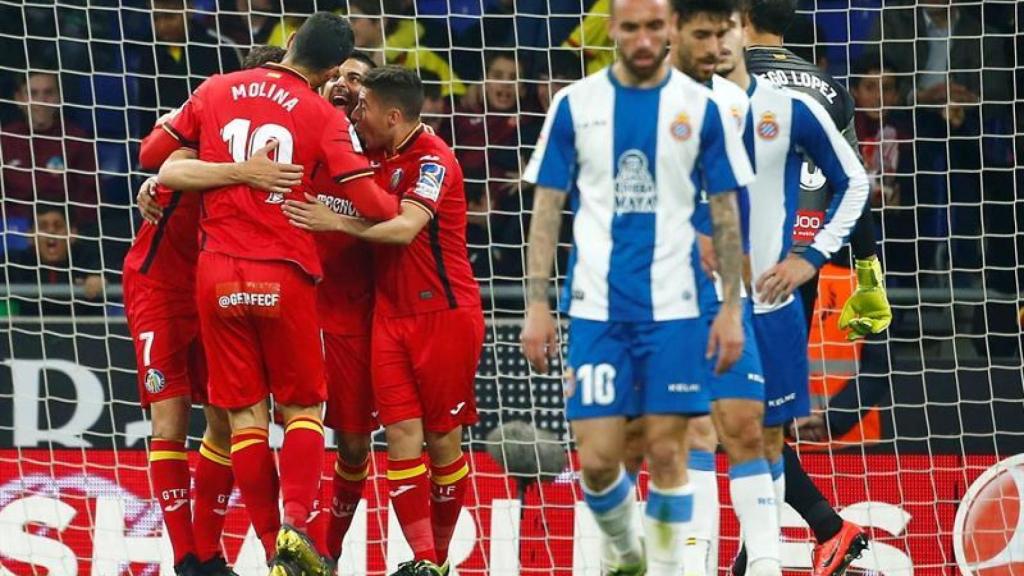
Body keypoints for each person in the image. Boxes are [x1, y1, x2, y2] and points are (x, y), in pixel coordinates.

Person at [519, 0, 754, 572]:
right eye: (631, 28)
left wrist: (728, 309)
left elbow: (725, 213)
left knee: (670, 452)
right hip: (597, 310)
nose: (644, 39)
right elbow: (547, 210)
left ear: (670, 28)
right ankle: (628, 554)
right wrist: (536, 305)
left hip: (673, 312)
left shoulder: (703, 108)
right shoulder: (574, 106)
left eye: (654, 26)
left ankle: (666, 570)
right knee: (599, 462)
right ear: (612, 31)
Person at [159, 13, 397, 576]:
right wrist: (389, 205)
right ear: (335, 69)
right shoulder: (321, 114)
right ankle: (296, 529)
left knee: (243, 418)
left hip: (215, 276)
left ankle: (272, 550)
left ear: (289, 42)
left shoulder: (217, 87)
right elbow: (375, 205)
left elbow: (156, 157)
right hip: (282, 274)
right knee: (302, 410)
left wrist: (199, 174)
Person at [284, 65, 483, 576]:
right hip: (387, 317)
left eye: (365, 106)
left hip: (443, 312)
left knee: (442, 440)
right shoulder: (372, 157)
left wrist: (335, 221)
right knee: (399, 437)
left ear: (393, 114)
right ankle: (420, 560)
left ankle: (436, 558)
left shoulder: (434, 158)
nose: (357, 114)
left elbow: (405, 229)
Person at [126, 45, 298, 576]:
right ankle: (185, 557)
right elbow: (161, 162)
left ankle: (210, 551)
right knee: (169, 416)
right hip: (160, 287)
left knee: (227, 419)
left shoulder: (285, 145)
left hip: (216, 286)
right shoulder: (201, 126)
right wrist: (153, 185)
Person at [737, 1, 877, 574]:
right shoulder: (828, 86)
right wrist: (866, 272)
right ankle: (768, 551)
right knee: (758, 421)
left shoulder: (730, 78)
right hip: (804, 267)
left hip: (751, 271)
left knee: (739, 422)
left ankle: (824, 526)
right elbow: (853, 180)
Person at [1, 71, 98, 234]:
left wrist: (67, 226)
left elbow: (89, 199)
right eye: (33, 93)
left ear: (59, 97)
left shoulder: (77, 140)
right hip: (14, 230)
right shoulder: (4, 140)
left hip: (63, 231)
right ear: (19, 99)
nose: (41, 101)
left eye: (48, 93)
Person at [5, 205, 103, 317]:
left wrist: (101, 278)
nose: (51, 231)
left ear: (73, 234)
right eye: (43, 226)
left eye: (58, 226)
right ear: (30, 236)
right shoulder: (14, 263)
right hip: (27, 331)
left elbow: (114, 274)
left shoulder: (89, 260)